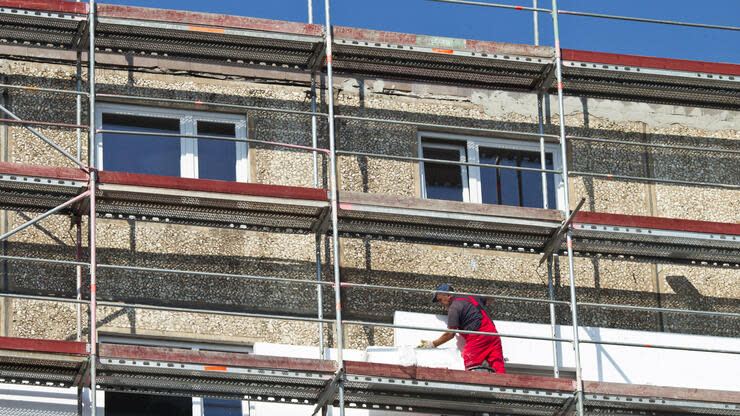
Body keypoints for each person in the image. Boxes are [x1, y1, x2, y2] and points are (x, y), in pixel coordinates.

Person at [419, 284, 505, 373]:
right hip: (493, 335)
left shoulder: (454, 307)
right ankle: (503, 385)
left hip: (479, 336)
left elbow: (450, 333)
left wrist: (433, 344)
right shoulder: (470, 297)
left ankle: (473, 385)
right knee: (497, 365)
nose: (440, 303)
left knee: (469, 361)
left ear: (449, 295)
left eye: (440, 300)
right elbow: (490, 298)